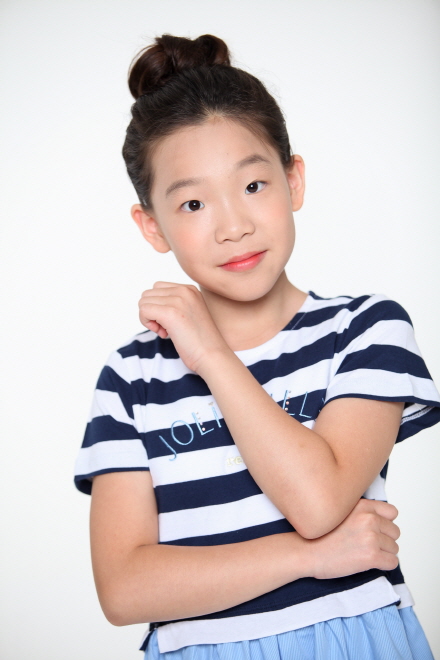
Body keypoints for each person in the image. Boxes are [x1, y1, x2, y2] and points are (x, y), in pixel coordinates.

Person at [74, 34, 440, 660]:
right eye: (193, 202)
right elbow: (124, 589)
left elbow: (318, 502)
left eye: (253, 186)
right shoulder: (131, 378)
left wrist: (213, 357)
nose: (234, 225)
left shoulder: (365, 329)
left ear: (293, 181)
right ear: (152, 226)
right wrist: (310, 558)